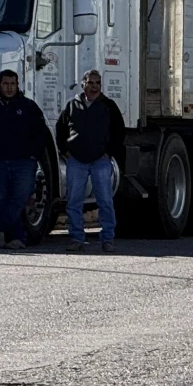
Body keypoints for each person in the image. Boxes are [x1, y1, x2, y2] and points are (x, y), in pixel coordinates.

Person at [0, 69, 48, 249]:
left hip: (24, 161)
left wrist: (34, 155)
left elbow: (41, 133)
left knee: (22, 194)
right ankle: (17, 239)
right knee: (4, 200)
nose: (9, 87)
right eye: (6, 84)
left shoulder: (29, 107)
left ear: (17, 85)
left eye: (12, 84)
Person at [56, 69, 126, 253]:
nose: (94, 87)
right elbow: (60, 128)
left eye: (97, 83)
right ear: (83, 84)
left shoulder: (109, 106)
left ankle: (108, 239)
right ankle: (76, 238)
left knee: (105, 201)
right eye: (90, 83)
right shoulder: (72, 105)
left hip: (100, 161)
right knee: (74, 201)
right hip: (76, 161)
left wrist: (108, 153)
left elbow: (119, 132)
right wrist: (65, 151)